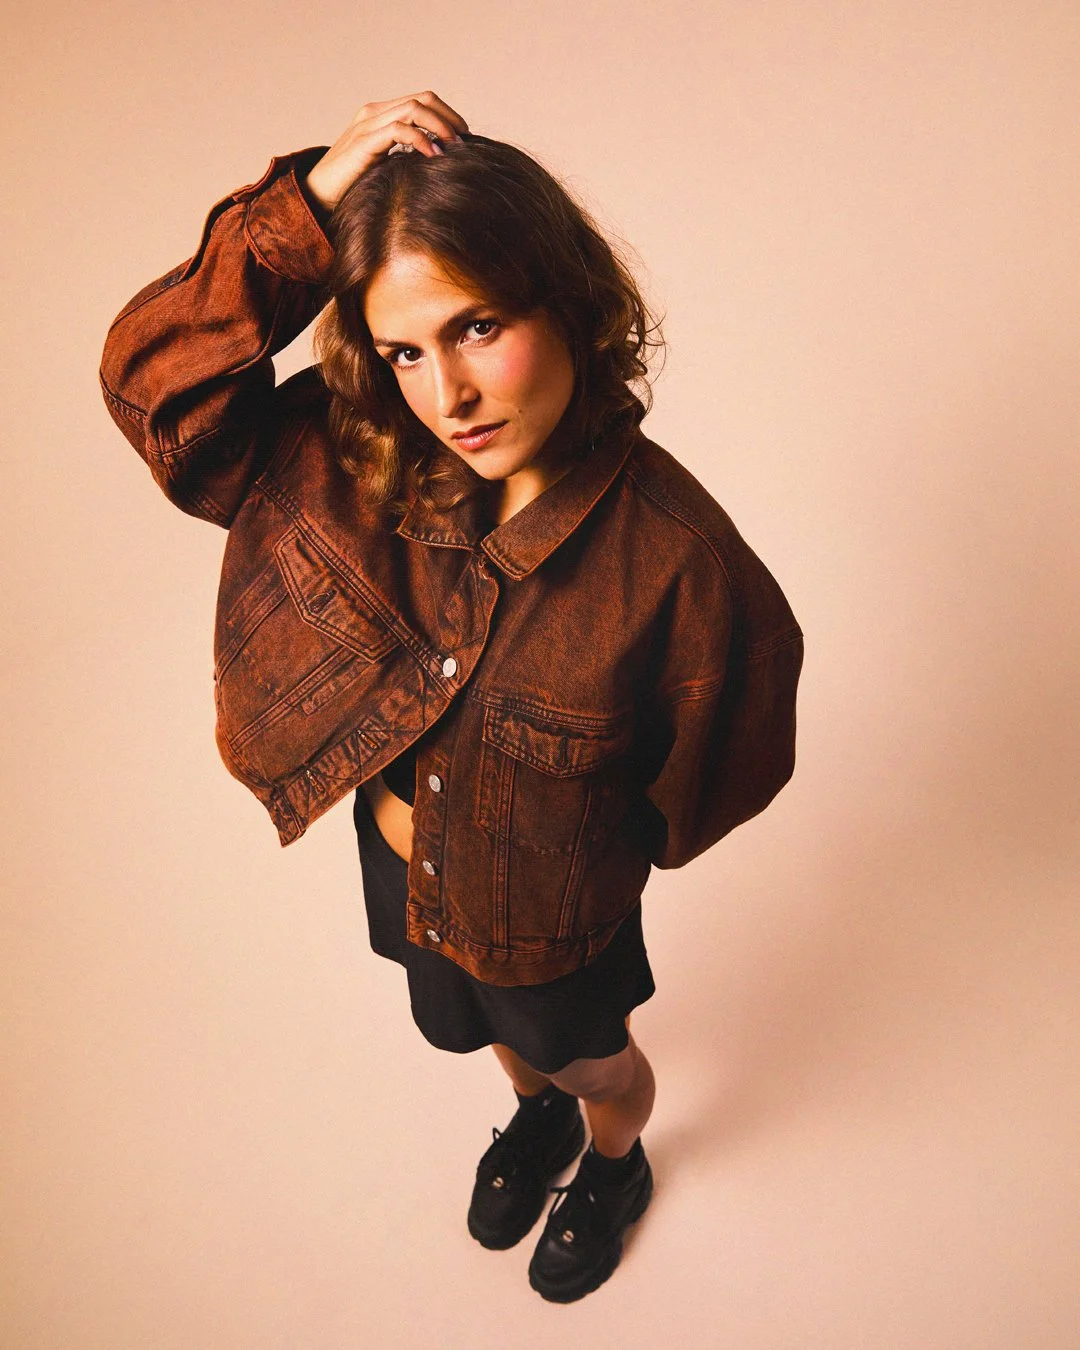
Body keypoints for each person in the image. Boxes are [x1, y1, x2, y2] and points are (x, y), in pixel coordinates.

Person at [99, 91, 804, 1303]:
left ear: (570, 304)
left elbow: (720, 771)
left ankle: (613, 1163)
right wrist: (304, 213)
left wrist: (587, 842)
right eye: (405, 349)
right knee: (484, 1039)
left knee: (588, 1059)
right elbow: (157, 393)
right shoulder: (338, 457)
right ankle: (531, 1127)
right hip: (402, 872)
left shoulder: (679, 562)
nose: (447, 394)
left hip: (553, 912)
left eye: (477, 327)